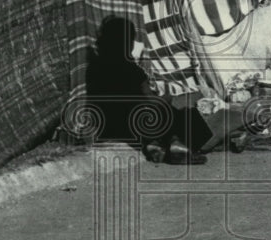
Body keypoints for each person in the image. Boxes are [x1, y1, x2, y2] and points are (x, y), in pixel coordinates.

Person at [86, 17, 207, 165]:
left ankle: (154, 145)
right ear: (126, 43)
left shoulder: (94, 69)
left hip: (110, 126)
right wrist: (167, 99)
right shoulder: (131, 69)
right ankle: (176, 144)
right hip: (137, 122)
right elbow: (150, 99)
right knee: (186, 116)